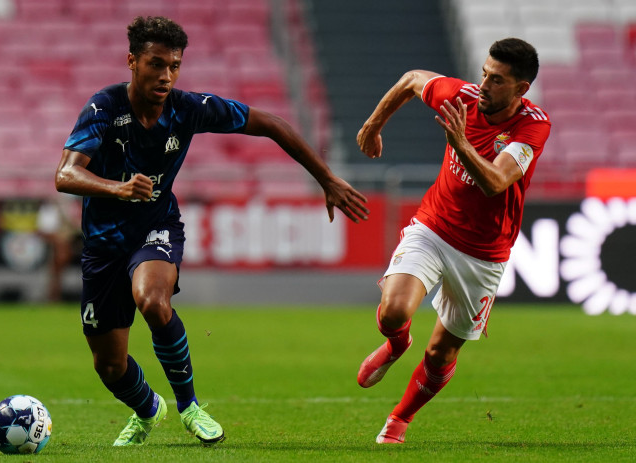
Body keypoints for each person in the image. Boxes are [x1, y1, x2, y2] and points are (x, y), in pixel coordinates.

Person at [55, 16, 369, 447]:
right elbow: (65, 175)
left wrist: (327, 179)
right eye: (155, 64)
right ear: (132, 62)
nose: (166, 75)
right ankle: (148, 408)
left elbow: (272, 124)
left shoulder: (188, 109)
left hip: (156, 227)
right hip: (103, 244)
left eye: (174, 65)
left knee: (152, 300)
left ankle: (190, 407)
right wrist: (119, 188)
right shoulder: (104, 108)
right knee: (109, 366)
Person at [355, 38, 550, 444]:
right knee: (393, 311)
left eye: (496, 80)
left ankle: (399, 420)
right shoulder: (460, 95)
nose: (483, 84)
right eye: (483, 73)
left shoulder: (532, 126)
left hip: (484, 255)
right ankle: (396, 343)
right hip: (434, 227)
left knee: (441, 353)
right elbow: (411, 80)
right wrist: (374, 126)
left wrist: (460, 144)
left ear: (521, 89)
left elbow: (496, 182)